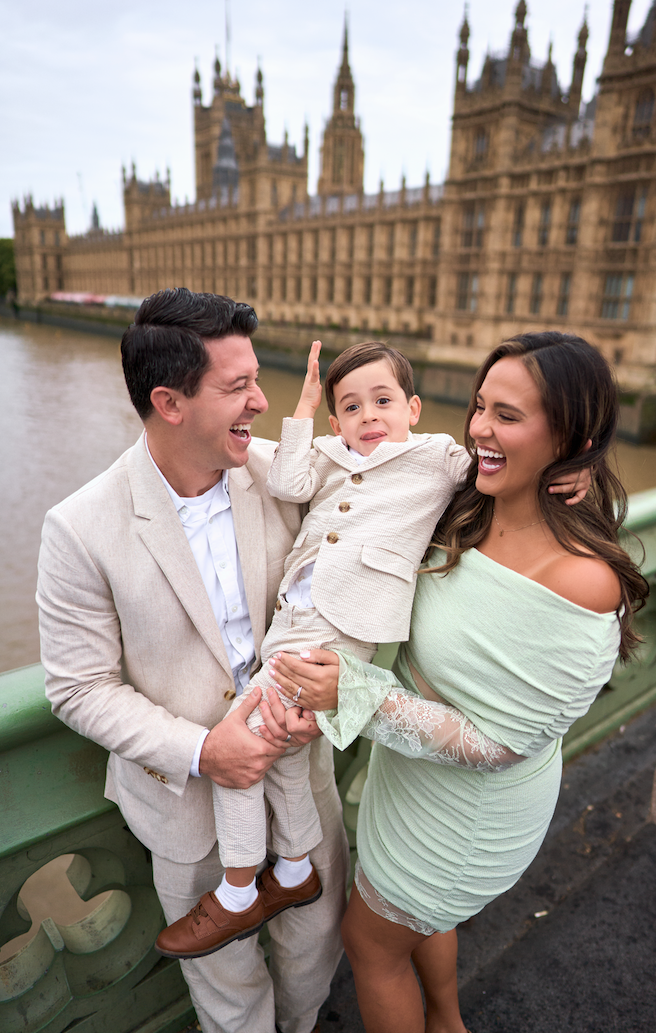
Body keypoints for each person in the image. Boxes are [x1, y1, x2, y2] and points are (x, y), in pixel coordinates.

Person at [158, 339, 592, 960]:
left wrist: (576, 468)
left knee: (239, 747)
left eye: (383, 402)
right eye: (352, 408)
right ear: (337, 421)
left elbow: (504, 468)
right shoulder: (333, 451)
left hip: (339, 628)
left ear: (414, 408)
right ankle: (292, 873)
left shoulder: (438, 458)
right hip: (293, 617)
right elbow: (287, 478)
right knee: (276, 750)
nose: (370, 419)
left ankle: (236, 889)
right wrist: (303, 408)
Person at [270, 331, 648, 1033]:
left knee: (370, 943)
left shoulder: (580, 580)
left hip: (464, 814)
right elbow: (358, 478)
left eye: (506, 415)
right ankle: (447, 1020)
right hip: (407, 777)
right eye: (479, 407)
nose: (477, 428)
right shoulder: (470, 499)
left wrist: (352, 692)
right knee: (412, 923)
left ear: (570, 432)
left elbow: (499, 742)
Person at [36, 288, 348, 1033]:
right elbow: (78, 688)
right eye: (237, 387)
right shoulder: (78, 528)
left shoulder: (288, 473)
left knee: (313, 957)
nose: (261, 401)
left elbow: (401, 499)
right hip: (186, 810)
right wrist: (207, 751)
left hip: (302, 779)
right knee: (229, 994)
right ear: (169, 402)